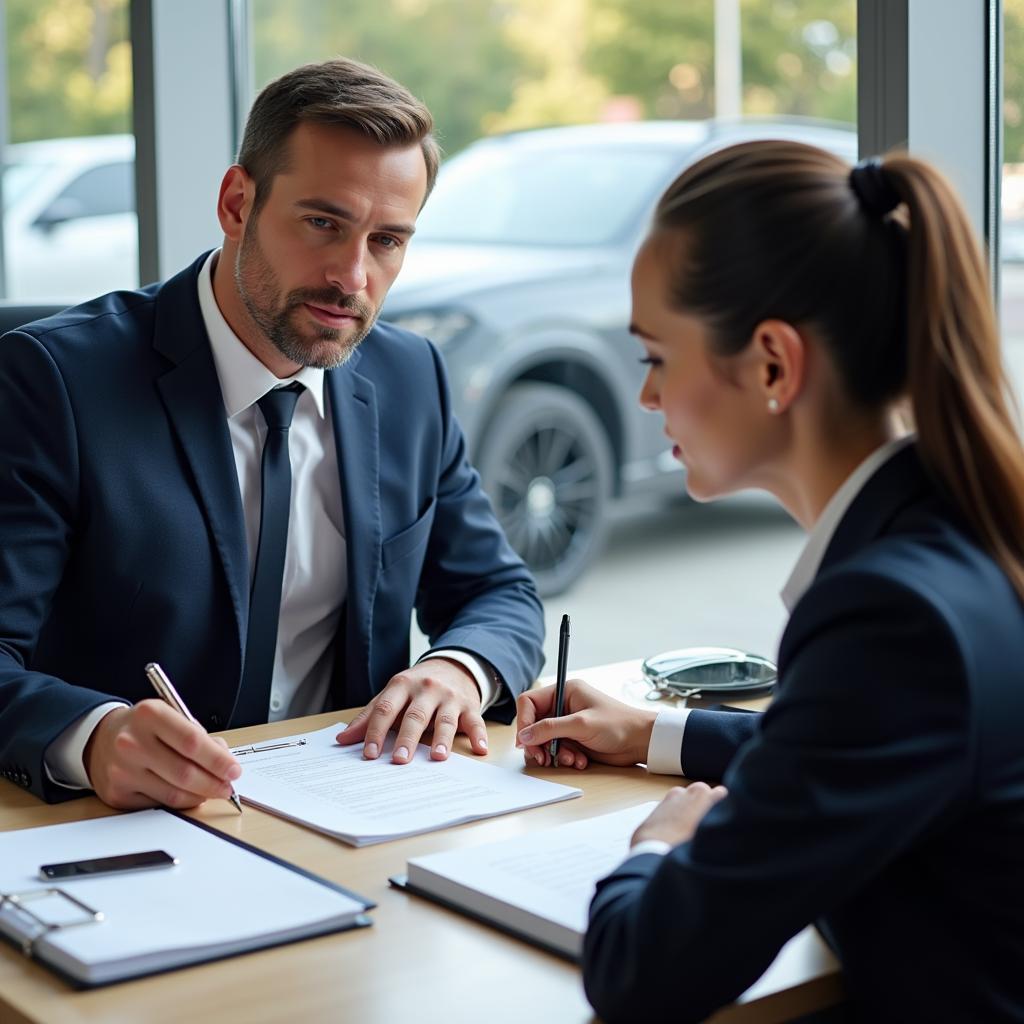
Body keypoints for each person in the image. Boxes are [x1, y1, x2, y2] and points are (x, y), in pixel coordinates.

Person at [515, 141, 1024, 1022]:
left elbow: (644, 977)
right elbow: (854, 753)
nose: (646, 400)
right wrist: (655, 734)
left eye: (656, 358)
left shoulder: (891, 614)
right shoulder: (952, 530)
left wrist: (659, 846)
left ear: (773, 366)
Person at [0, 58, 544, 811]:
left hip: (355, 808)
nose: (352, 276)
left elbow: (499, 592)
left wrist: (457, 669)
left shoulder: (410, 376)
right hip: (130, 826)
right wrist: (91, 737)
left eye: (387, 240)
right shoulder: (54, 381)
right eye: (324, 223)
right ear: (236, 203)